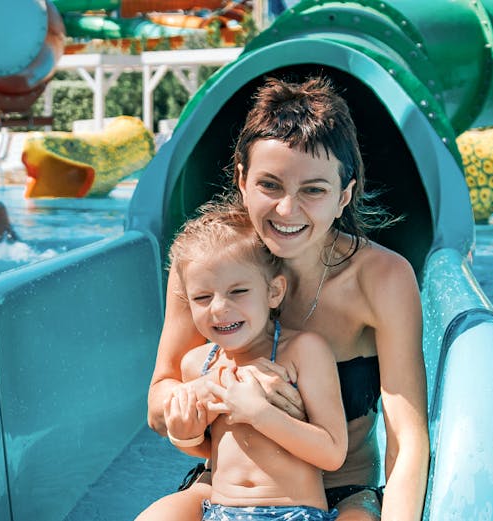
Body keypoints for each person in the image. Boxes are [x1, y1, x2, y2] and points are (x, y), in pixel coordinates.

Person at [141, 76, 429, 521]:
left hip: (344, 491)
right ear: (242, 179)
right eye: (270, 185)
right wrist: (207, 393)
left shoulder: (381, 279)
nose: (287, 210)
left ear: (343, 195)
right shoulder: (209, 267)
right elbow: (160, 399)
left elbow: (407, 441)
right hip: (226, 491)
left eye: (313, 190)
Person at [161, 205, 348, 520]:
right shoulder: (198, 365)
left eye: (238, 291)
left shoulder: (302, 351)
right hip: (219, 511)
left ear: (273, 292)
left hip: (293, 513)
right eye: (203, 298)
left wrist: (258, 413)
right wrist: (184, 435)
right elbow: (212, 452)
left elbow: (331, 453)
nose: (219, 309)